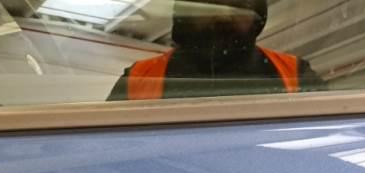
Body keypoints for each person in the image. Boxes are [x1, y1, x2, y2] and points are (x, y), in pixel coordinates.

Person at [107, 0, 326, 101]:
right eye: (211, 4)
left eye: (238, 6)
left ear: (257, 17)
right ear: (185, 14)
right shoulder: (139, 78)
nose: (223, 16)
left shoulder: (293, 73)